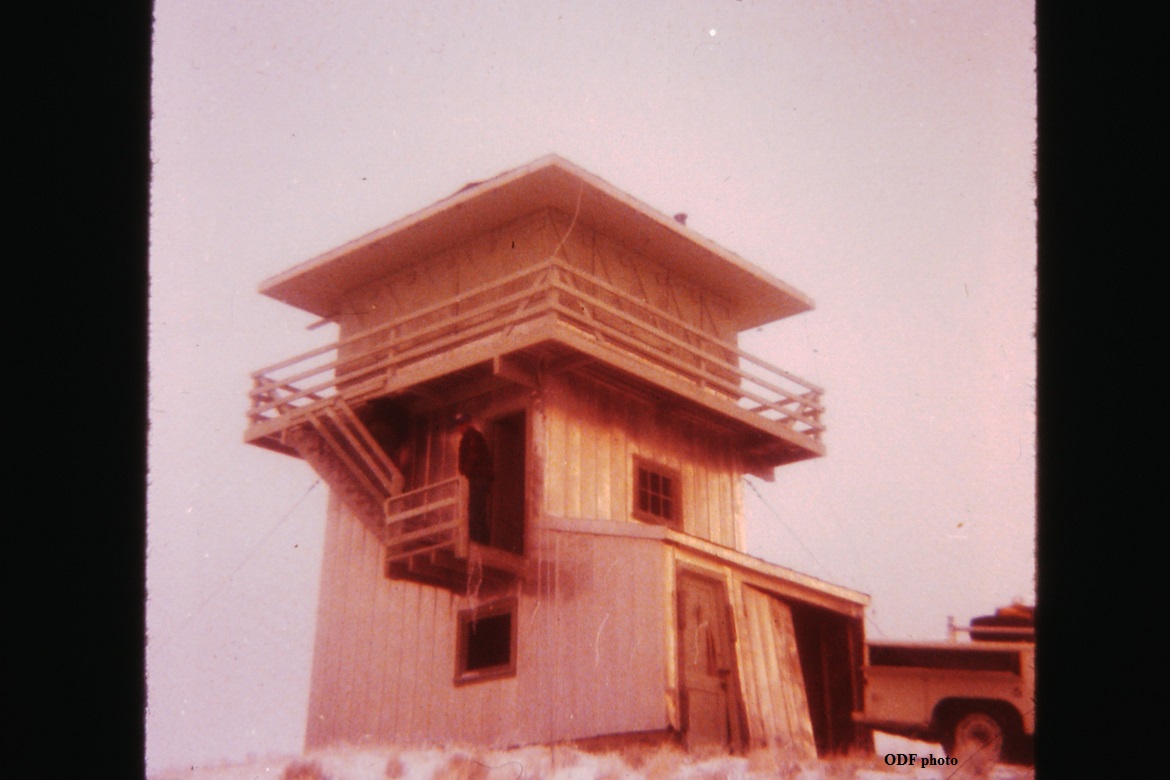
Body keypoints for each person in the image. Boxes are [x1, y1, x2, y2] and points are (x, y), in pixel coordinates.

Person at [453, 412, 493, 545]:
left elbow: (473, 457)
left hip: (477, 479)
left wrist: (464, 473)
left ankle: (478, 543)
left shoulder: (471, 437)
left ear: (468, 423)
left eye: (462, 423)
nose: (460, 427)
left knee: (474, 511)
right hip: (478, 479)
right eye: (458, 424)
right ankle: (479, 542)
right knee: (476, 510)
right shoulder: (471, 436)